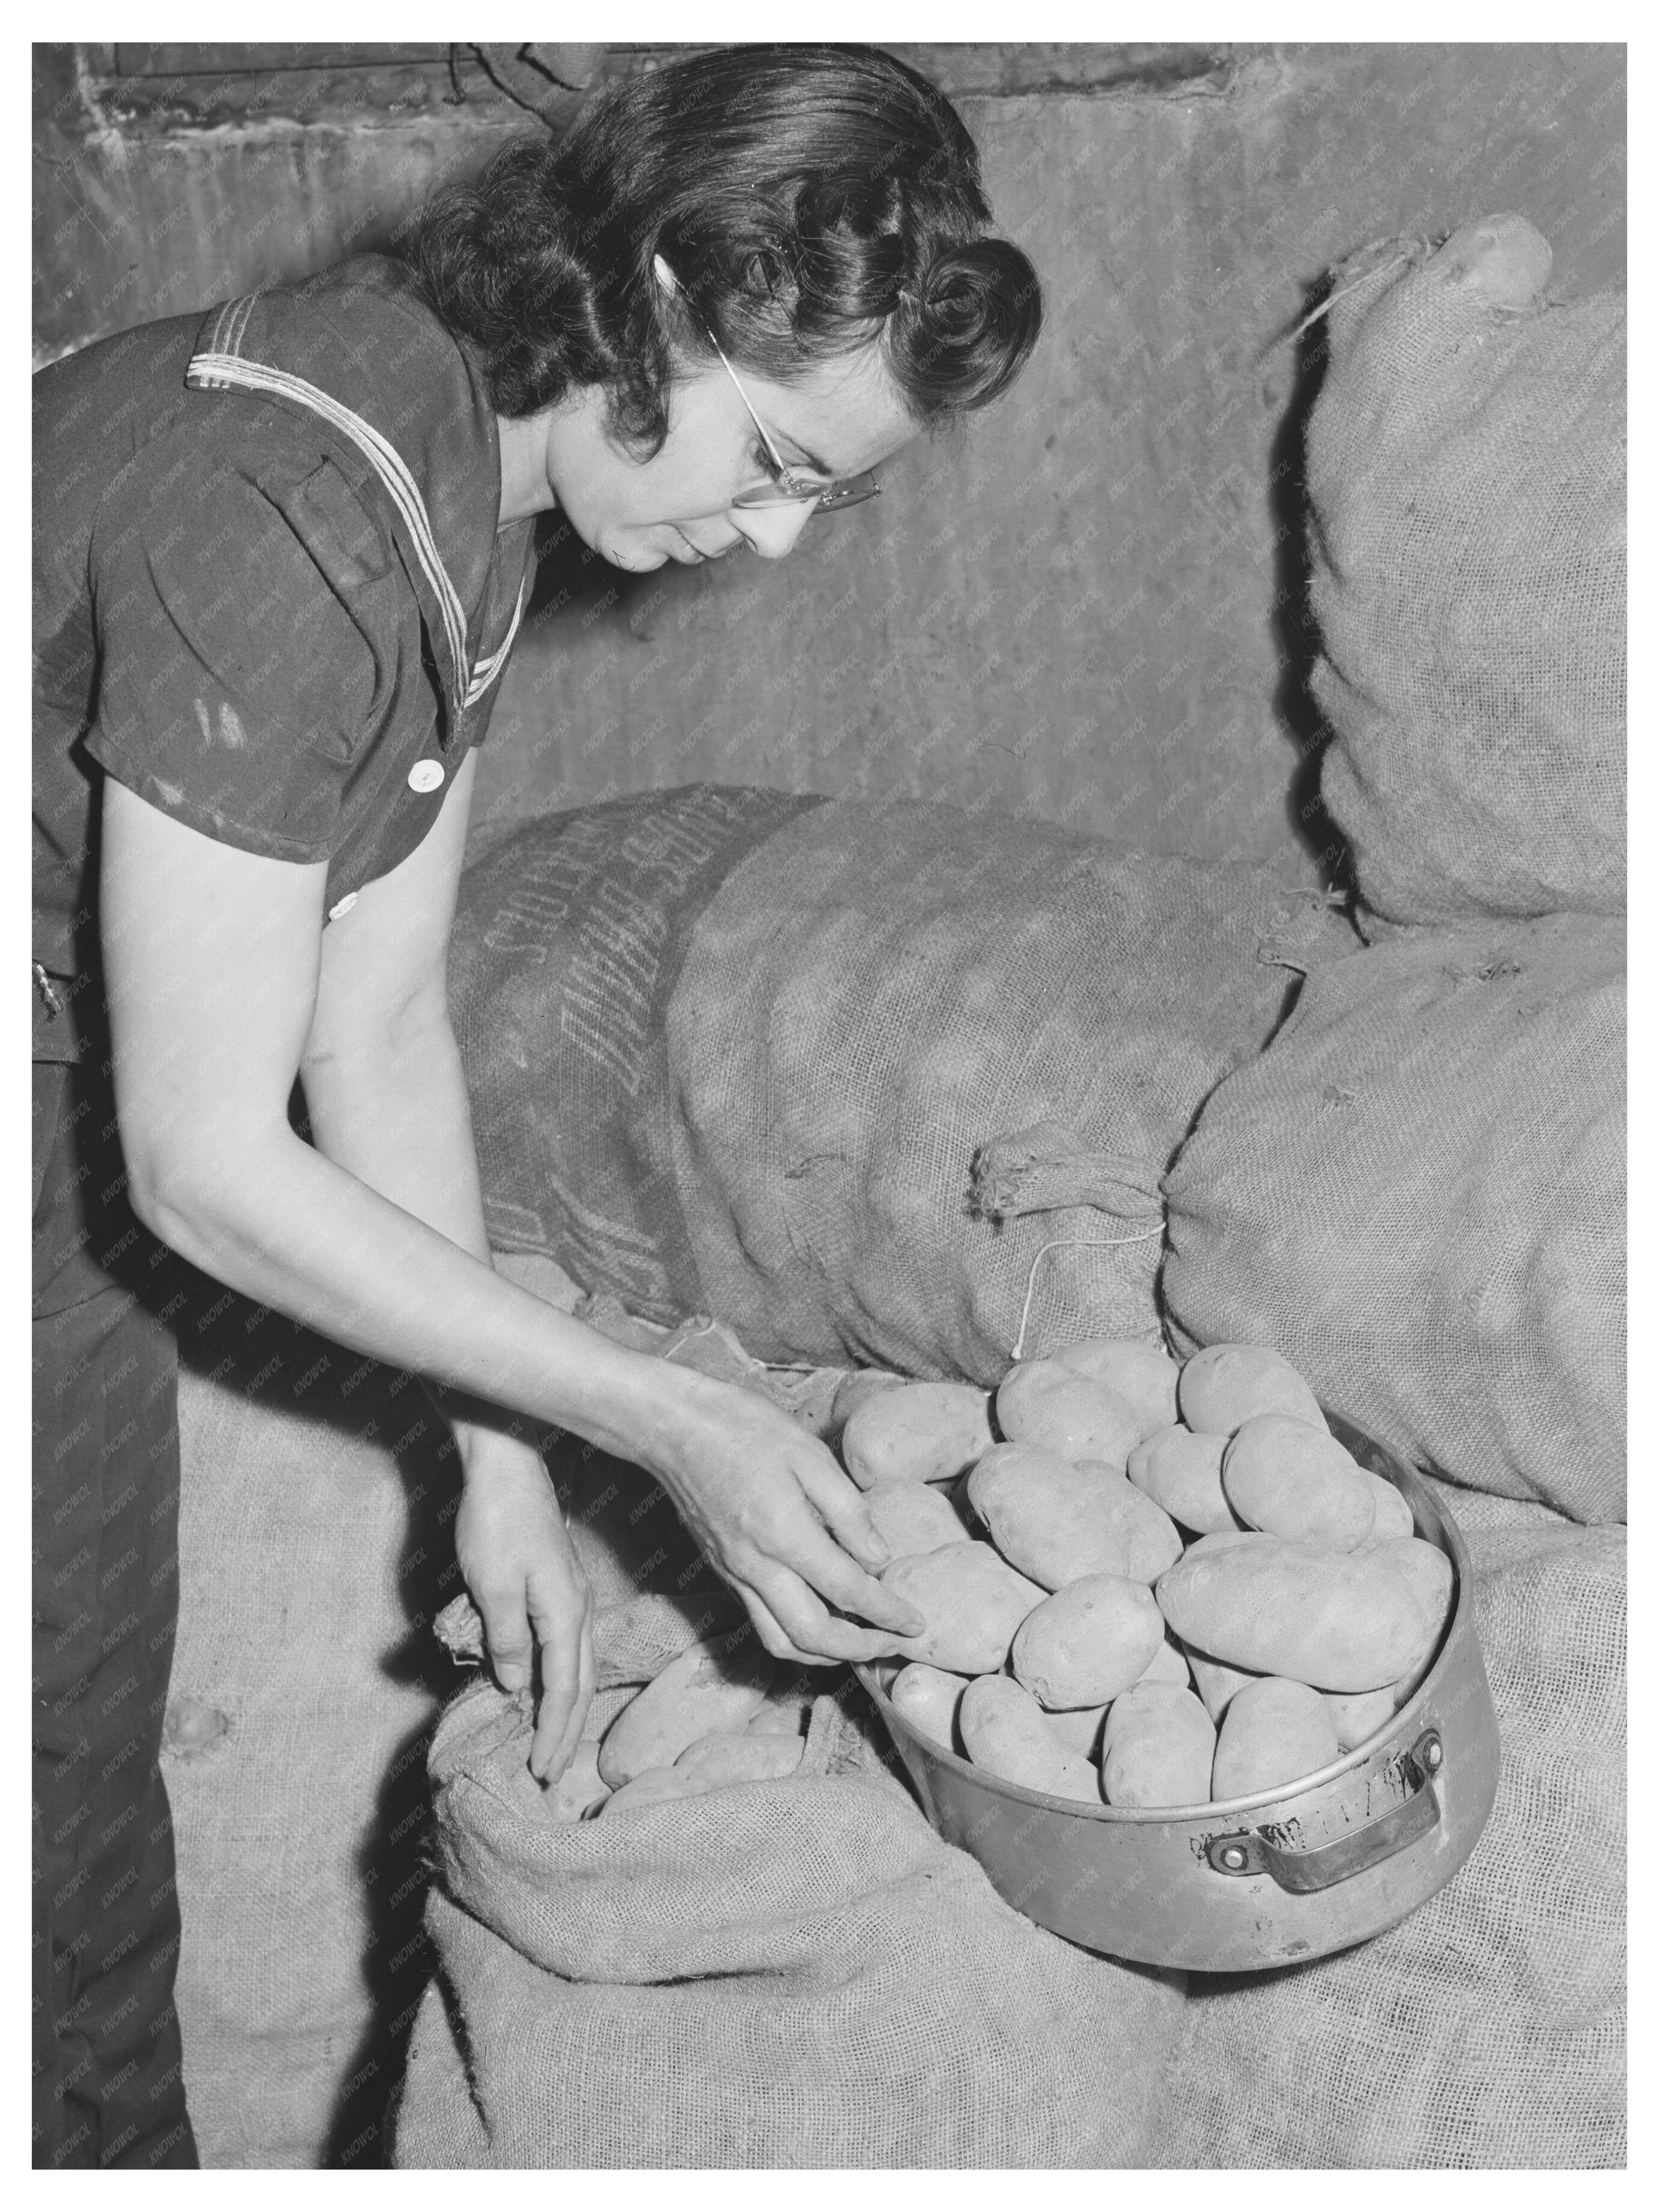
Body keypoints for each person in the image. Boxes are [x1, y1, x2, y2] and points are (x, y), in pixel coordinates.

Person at [31, 42, 1041, 2168]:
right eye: (770, 455)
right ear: (656, 297)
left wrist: (493, 1461)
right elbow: (203, 1163)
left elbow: (371, 1029)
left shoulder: (455, 505)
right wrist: (661, 1415)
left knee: (70, 1759)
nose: (765, 538)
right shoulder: (295, 503)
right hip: (71, 1113)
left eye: (823, 497)